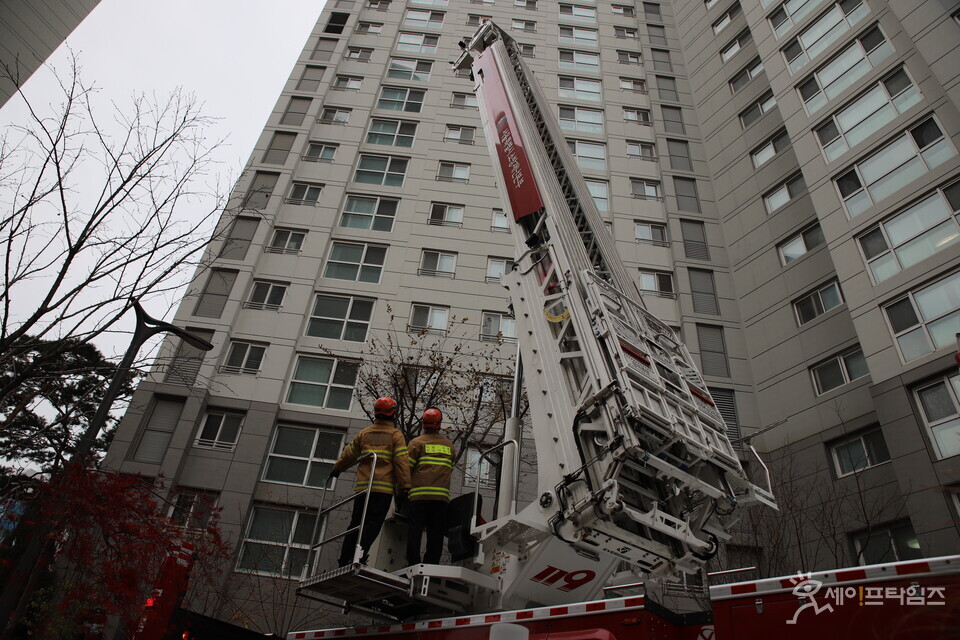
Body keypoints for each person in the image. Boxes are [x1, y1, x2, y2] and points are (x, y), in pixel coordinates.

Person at [329, 396, 411, 566]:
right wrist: (404, 487)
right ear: (393, 413)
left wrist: (336, 469)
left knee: (355, 523)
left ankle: (344, 558)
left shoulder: (364, 434)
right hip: (383, 490)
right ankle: (360, 556)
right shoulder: (396, 435)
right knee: (373, 524)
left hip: (363, 488)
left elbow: (348, 455)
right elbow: (401, 462)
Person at [405, 408, 456, 566]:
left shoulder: (416, 444)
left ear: (423, 424)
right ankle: (431, 563)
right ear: (439, 424)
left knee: (415, 529)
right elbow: (449, 468)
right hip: (440, 499)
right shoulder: (449, 446)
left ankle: (413, 562)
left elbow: (407, 470)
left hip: (419, 496)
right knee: (436, 532)